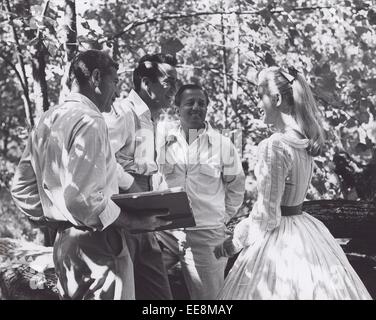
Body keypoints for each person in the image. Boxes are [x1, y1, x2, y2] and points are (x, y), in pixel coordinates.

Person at [10, 50, 167, 300]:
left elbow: (21, 189)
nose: (116, 93)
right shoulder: (92, 121)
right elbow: (83, 203)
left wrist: (56, 218)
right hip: (99, 245)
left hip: (64, 245)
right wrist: (134, 222)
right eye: (114, 82)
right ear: (96, 77)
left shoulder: (48, 119)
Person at [214, 66, 372, 300]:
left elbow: (267, 214)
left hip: (280, 240)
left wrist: (234, 242)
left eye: (260, 96)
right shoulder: (303, 141)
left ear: (276, 99)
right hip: (305, 230)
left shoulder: (275, 144)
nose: (258, 104)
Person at [156, 84, 245, 300]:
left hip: (206, 236)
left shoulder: (224, 144)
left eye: (202, 103)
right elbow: (153, 177)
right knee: (142, 284)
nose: (196, 107)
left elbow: (236, 186)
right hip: (165, 232)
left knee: (210, 300)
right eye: (189, 103)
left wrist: (220, 218)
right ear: (177, 109)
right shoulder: (162, 141)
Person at [103, 53, 178, 300]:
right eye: (169, 82)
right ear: (146, 83)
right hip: (120, 217)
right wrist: (129, 183)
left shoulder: (152, 119)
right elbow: (101, 159)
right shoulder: (123, 113)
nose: (175, 89)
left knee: (160, 295)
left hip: (144, 215)